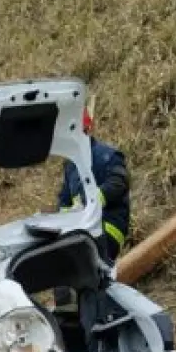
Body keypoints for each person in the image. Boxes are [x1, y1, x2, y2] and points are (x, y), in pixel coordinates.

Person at [57, 108, 130, 264]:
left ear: (87, 129)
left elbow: (119, 183)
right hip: (81, 229)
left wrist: (92, 201)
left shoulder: (107, 155)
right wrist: (66, 215)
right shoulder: (71, 166)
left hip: (108, 227)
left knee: (82, 264)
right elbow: (63, 201)